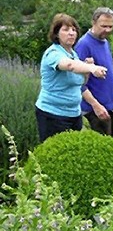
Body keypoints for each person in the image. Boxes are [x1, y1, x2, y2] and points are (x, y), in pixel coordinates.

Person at [36, 13, 108, 142]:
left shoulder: (73, 54)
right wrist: (92, 68)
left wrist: (87, 71)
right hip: (53, 115)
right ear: (56, 34)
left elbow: (80, 83)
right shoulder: (53, 53)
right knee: (57, 155)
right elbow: (69, 66)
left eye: (74, 30)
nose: (71, 33)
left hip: (74, 114)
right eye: (66, 29)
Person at [75, 7, 113, 144]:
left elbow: (108, 72)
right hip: (96, 109)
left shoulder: (105, 42)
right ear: (93, 22)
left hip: (110, 106)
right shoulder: (84, 45)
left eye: (110, 26)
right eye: (103, 26)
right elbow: (78, 83)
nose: (107, 30)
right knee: (105, 148)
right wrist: (95, 105)